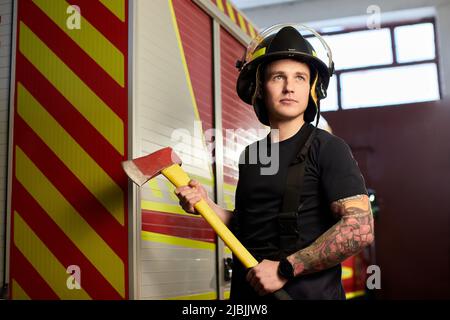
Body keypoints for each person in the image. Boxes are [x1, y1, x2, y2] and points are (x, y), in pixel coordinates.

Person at [175, 25, 374, 300]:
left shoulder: (328, 148)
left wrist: (285, 269)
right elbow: (247, 227)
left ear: (313, 89)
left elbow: (359, 229)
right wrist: (205, 205)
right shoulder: (252, 154)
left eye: (300, 78)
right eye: (278, 77)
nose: (289, 87)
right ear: (259, 87)